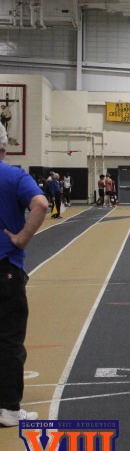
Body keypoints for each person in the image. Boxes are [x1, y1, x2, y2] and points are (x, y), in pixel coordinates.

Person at [0, 123, 48, 425]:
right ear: (5, 148)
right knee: (8, 339)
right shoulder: (14, 176)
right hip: (5, 266)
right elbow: (40, 204)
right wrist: (21, 238)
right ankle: (8, 409)